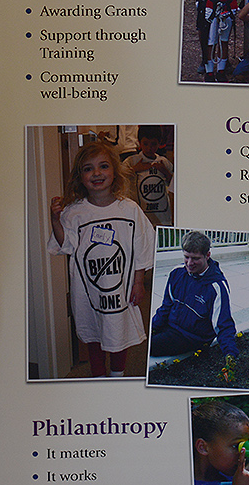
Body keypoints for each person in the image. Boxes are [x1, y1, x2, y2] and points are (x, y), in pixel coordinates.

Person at [48, 139, 154, 378]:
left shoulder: (129, 210)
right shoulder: (75, 212)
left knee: (119, 331)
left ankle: (117, 376)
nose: (96, 173)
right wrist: (56, 221)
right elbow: (66, 245)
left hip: (121, 289)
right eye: (88, 168)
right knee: (94, 333)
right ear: (80, 176)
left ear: (114, 172)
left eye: (103, 166)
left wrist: (138, 281)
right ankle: (97, 377)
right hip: (89, 292)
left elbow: (142, 247)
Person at [149, 231, 240, 363]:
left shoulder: (216, 286)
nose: (189, 263)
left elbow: (224, 324)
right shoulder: (176, 273)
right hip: (172, 326)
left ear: (207, 255)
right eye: (186, 257)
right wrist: (152, 327)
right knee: (141, 337)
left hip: (191, 337)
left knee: (150, 346)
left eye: (196, 258)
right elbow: (166, 307)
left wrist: (230, 354)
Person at [191, 399, 249, 485]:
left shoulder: (238, 479)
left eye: (248, 444)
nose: (245, 452)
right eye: (237, 445)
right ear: (202, 447)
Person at [123, 123, 174, 226]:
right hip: (141, 218)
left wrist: (165, 171)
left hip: (163, 217)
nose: (149, 148)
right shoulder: (132, 161)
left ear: (159, 143)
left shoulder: (164, 162)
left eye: (153, 144)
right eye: (145, 144)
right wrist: (134, 169)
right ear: (139, 142)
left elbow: (174, 186)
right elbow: (120, 180)